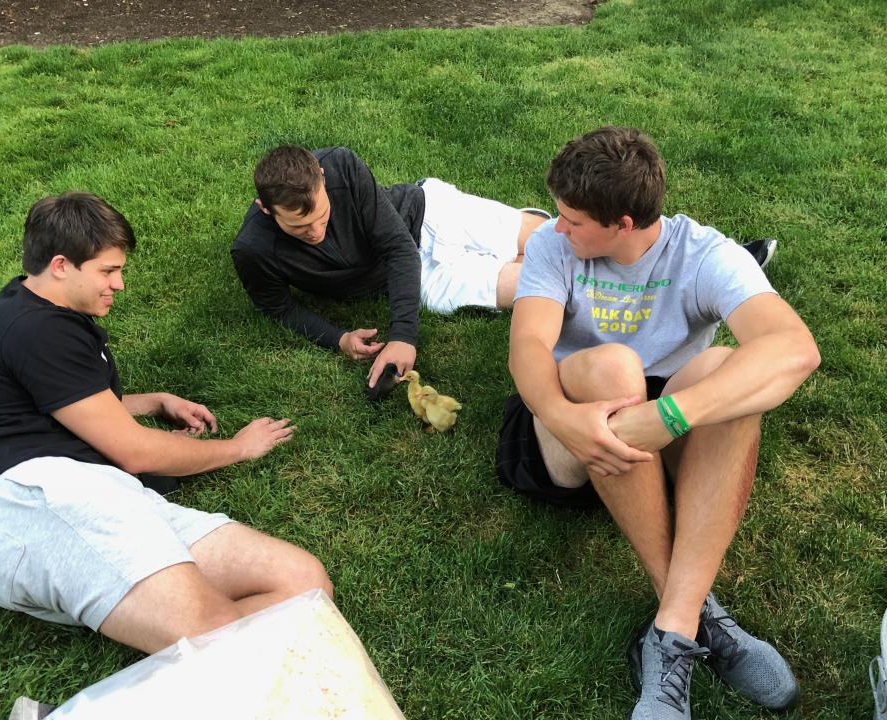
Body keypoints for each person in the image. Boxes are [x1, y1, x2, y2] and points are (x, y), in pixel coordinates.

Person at [500, 127, 819, 719]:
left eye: (573, 220)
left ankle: (673, 627)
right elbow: (528, 349)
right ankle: (695, 607)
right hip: (566, 426)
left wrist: (669, 414)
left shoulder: (702, 252)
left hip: (661, 427)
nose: (557, 228)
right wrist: (561, 417)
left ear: (624, 223)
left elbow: (796, 349)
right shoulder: (552, 244)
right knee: (616, 368)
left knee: (730, 372)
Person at [0, 192, 332, 658]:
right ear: (62, 264)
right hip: (30, 500)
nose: (120, 284)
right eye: (108, 271)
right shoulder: (35, 330)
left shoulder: (40, 309)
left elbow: (64, 402)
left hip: (103, 490)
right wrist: (237, 447)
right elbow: (137, 452)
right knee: (216, 634)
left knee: (304, 586)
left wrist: (153, 401)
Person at [231, 145, 556, 390]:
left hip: (428, 214)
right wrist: (338, 338)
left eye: (322, 216)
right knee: (539, 282)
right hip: (414, 278)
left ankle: (530, 232)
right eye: (300, 228)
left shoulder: (342, 165)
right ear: (265, 209)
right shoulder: (253, 249)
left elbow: (398, 247)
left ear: (322, 177)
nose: (315, 232)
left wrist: (403, 336)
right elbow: (278, 307)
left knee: (551, 241)